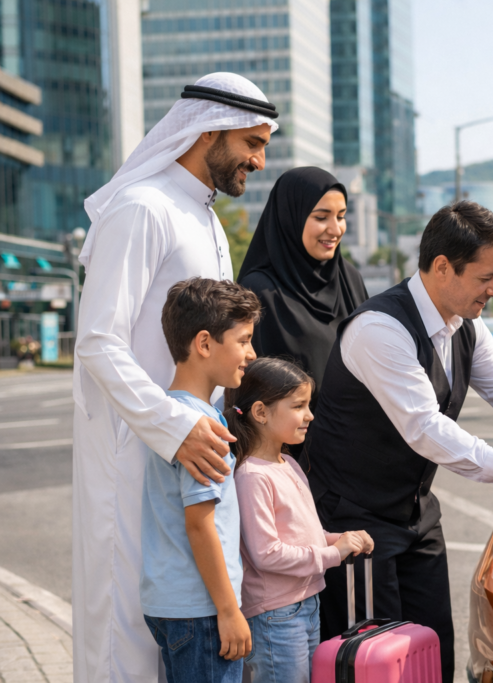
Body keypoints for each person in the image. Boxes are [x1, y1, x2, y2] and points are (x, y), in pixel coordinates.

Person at [305, 201, 493, 683]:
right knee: (374, 665)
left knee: (433, 654)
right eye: (485, 278)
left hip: (415, 516)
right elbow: (424, 428)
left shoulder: (464, 325)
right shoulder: (379, 329)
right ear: (442, 267)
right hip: (355, 521)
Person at [73, 72, 278, 683]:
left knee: (187, 626)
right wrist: (174, 425)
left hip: (188, 451)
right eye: (252, 142)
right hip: (133, 452)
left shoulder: (208, 220)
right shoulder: (141, 209)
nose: (259, 160)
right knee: (126, 635)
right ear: (207, 130)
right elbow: (98, 339)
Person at [140, 277, 260, 683]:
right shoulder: (201, 426)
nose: (251, 353)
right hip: (203, 610)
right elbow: (200, 522)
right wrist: (228, 610)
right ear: (205, 344)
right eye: (243, 340)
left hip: (173, 604)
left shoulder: (170, 415)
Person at [227, 357, 373, 683]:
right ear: (261, 412)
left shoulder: (288, 463)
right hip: (276, 615)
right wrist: (333, 554)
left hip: (305, 604)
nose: (310, 415)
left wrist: (339, 539)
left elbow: (305, 533)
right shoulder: (252, 476)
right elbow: (266, 553)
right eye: (298, 406)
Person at [237, 168, 368, 417]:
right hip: (293, 449)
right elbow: (251, 388)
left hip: (357, 442)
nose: (335, 229)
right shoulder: (260, 292)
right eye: (321, 217)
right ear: (290, 218)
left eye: (340, 216)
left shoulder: (349, 278)